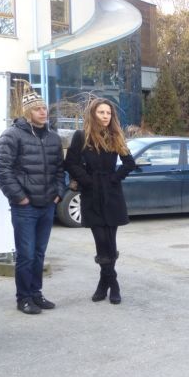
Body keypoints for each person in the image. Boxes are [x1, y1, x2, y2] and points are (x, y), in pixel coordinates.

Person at [0, 87, 64, 314]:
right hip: (25, 207)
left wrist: (58, 193)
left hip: (47, 205)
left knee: (39, 254)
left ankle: (36, 293)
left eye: (44, 108)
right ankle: (23, 298)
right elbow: (2, 169)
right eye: (37, 109)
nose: (43, 112)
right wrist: (20, 197)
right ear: (27, 112)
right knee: (26, 255)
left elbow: (59, 170)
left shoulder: (53, 138)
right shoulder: (12, 135)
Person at [64, 98, 136, 304]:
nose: (105, 116)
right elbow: (70, 163)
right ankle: (113, 283)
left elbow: (129, 163)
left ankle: (104, 284)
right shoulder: (82, 136)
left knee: (110, 241)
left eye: (108, 113)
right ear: (93, 114)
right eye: (101, 112)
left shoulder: (115, 135)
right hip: (92, 194)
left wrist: (114, 179)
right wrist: (87, 181)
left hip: (112, 195)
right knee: (100, 239)